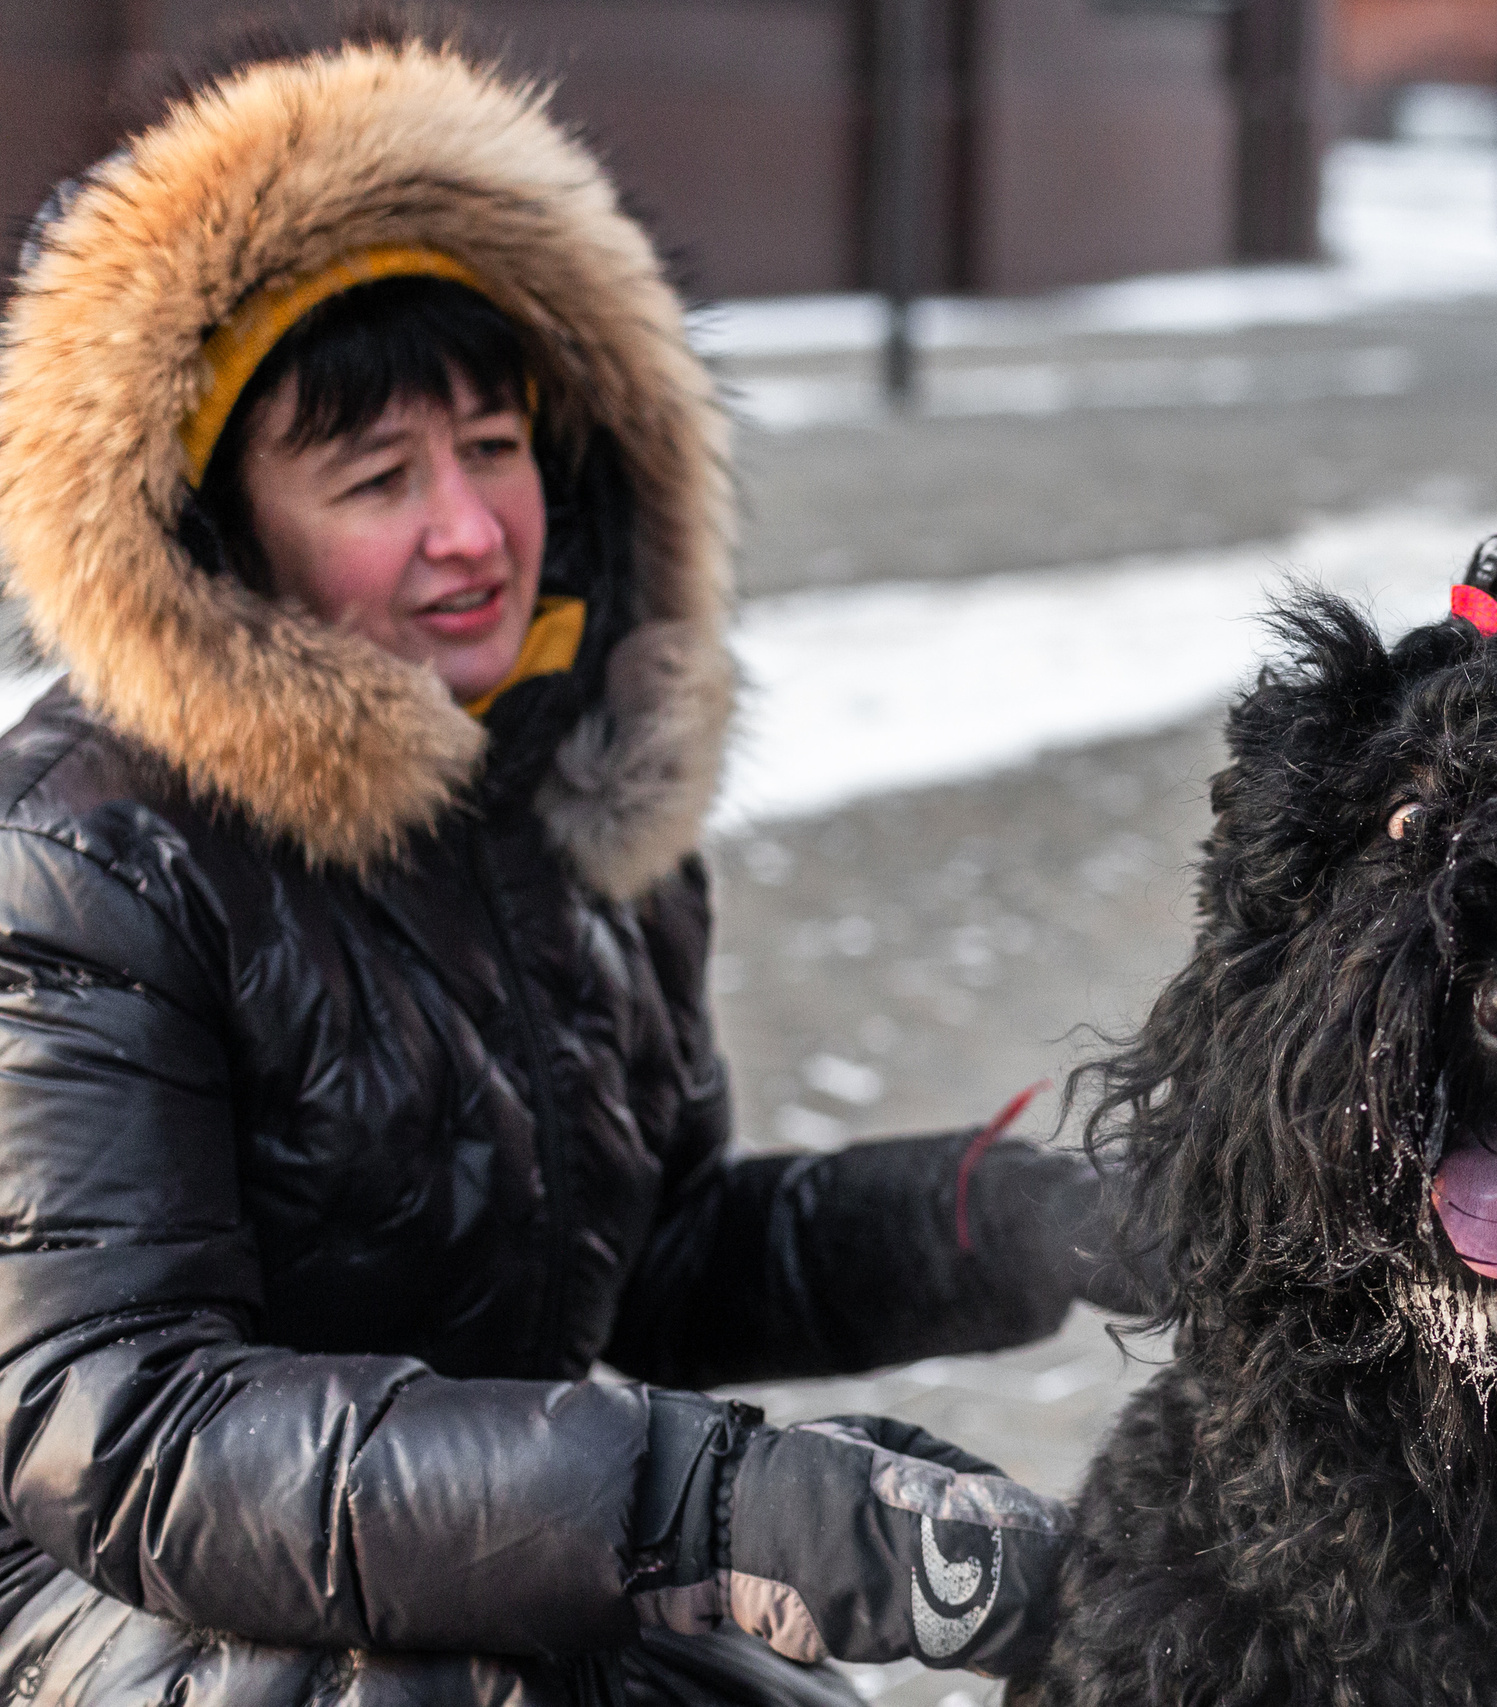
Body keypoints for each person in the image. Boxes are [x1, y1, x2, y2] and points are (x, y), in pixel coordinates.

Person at [0, 33, 1133, 1707]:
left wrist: (1041, 1224)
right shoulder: (90, 854)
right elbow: (125, 1425)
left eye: (494, 443)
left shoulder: (574, 798)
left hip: (502, 1559)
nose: (468, 530)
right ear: (217, 534)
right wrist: (698, 1502)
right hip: (103, 1600)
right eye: (377, 478)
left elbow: (659, 1259)